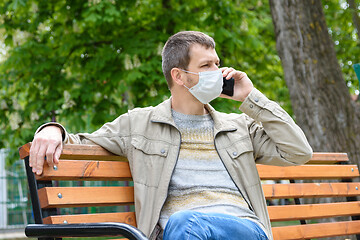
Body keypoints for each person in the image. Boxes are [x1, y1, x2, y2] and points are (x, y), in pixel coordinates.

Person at [29, 31, 313, 240]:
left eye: (217, 63)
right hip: (180, 232)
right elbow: (82, 142)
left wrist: (251, 97)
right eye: (206, 66)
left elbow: (299, 151)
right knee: (185, 225)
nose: (219, 72)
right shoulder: (139, 123)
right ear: (178, 76)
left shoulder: (239, 126)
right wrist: (52, 129)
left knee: (186, 224)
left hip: (242, 228)